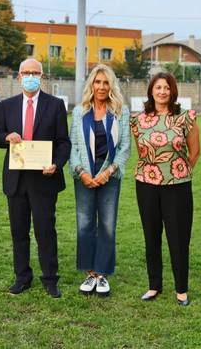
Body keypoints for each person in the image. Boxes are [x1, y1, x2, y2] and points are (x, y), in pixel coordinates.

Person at [0, 58, 70, 298]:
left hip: (44, 179)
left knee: (46, 231)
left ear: (42, 76)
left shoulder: (56, 105)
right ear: (18, 76)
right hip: (16, 178)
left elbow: (63, 142)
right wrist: (6, 137)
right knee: (19, 231)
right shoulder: (7, 106)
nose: (30, 76)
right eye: (25, 72)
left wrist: (56, 164)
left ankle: (50, 278)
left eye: (35, 72)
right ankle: (22, 277)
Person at [130, 72, 199, 306]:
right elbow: (141, 151)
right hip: (146, 184)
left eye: (166, 88)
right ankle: (154, 285)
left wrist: (178, 172)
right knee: (151, 236)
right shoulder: (138, 120)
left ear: (173, 91)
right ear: (151, 90)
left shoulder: (185, 117)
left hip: (177, 187)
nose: (162, 92)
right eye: (158, 87)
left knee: (178, 238)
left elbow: (194, 151)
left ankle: (181, 289)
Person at [69, 64, 130, 297]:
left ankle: (102, 274)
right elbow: (73, 145)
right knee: (84, 224)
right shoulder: (79, 111)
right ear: (91, 85)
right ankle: (91, 273)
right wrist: (81, 172)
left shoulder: (120, 111)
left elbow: (124, 148)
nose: (102, 87)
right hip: (83, 176)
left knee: (107, 225)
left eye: (106, 82)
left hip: (110, 177)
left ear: (111, 85)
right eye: (97, 82)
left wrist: (108, 172)